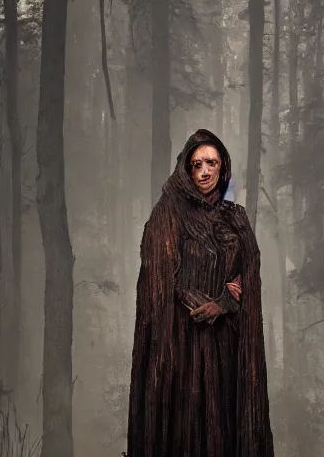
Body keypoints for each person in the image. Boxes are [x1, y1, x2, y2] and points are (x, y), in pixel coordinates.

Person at [126, 129, 274, 457]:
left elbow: (249, 269)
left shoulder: (234, 215)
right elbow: (160, 274)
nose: (205, 171)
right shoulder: (169, 212)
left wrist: (223, 303)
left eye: (211, 163)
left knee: (221, 424)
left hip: (225, 344)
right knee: (186, 426)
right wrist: (198, 302)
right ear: (186, 169)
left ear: (223, 167)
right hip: (181, 344)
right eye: (197, 164)